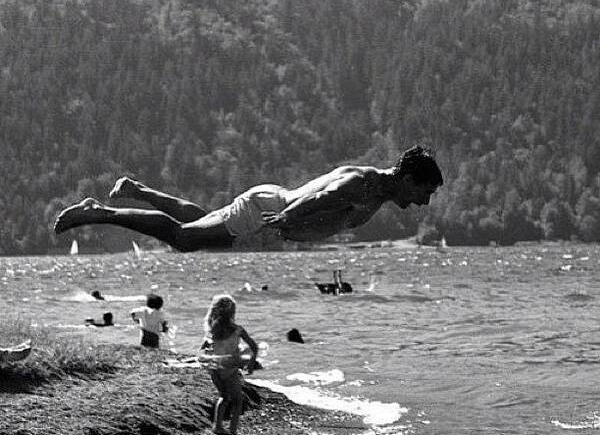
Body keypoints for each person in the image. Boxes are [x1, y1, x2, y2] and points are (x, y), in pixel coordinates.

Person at [53, 145, 443, 250]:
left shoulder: (376, 189)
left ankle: (137, 191)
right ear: (408, 178)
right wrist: (289, 219)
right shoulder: (366, 183)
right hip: (271, 212)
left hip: (268, 208)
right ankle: (98, 212)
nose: (423, 203)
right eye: (423, 193)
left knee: (202, 221)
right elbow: (327, 194)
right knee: (185, 239)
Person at [199, 294, 258, 435]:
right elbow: (254, 346)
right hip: (230, 369)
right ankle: (233, 431)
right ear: (232, 313)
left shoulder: (212, 331)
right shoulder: (238, 329)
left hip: (215, 368)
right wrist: (250, 362)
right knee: (237, 399)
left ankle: (218, 426)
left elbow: (203, 349)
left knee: (224, 396)